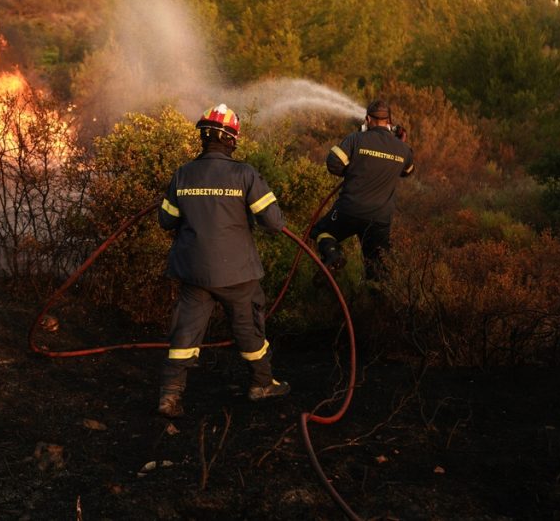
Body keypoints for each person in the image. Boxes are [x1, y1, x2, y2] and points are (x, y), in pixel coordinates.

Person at [156, 103, 290, 418]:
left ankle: (169, 396)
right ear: (231, 139)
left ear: (204, 137)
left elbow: (166, 220)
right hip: (237, 273)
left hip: (193, 272)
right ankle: (261, 384)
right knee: (248, 328)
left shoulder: (183, 174)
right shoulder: (245, 174)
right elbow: (273, 223)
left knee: (185, 333)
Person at [310, 98, 415, 284]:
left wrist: (353, 169)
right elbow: (407, 171)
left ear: (367, 119)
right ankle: (374, 296)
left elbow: (333, 163)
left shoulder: (356, 139)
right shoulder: (404, 149)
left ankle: (333, 256)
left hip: (349, 210)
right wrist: (400, 144)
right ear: (390, 122)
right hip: (379, 219)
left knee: (320, 232)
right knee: (377, 269)